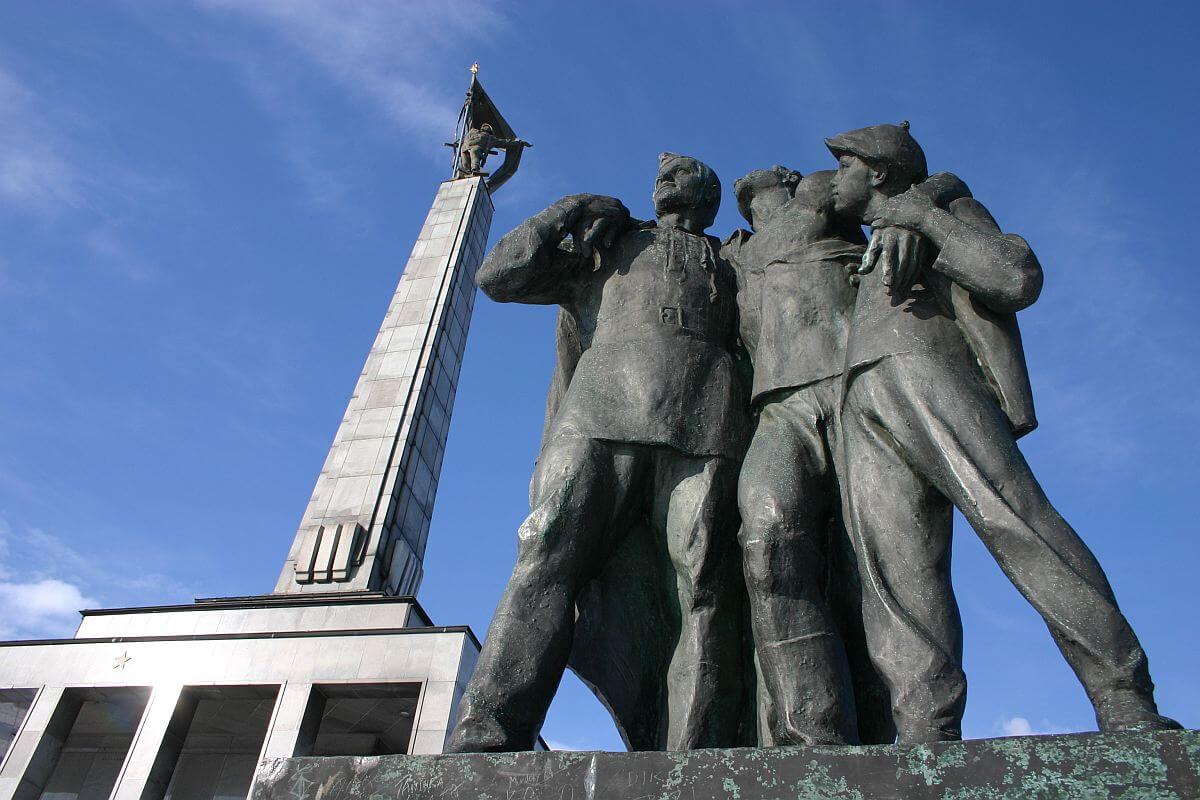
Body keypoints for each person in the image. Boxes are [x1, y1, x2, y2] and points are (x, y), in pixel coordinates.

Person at [828, 121, 1179, 743]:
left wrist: (928, 220)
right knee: (894, 570)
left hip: (926, 367)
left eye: (845, 164)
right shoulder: (871, 238)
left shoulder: (944, 208)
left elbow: (1015, 278)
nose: (835, 177)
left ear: (878, 172)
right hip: (862, 387)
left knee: (1014, 522)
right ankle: (924, 731)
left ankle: (1124, 696)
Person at [447, 153, 749, 752]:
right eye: (659, 171)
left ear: (708, 195)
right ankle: (487, 732)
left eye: (682, 171)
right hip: (599, 415)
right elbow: (497, 278)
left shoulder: (736, 257)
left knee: (704, 586)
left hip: (707, 426)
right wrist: (568, 209)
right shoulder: (607, 243)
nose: (663, 174)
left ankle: (691, 754)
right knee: (545, 558)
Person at [458, 122, 528, 175]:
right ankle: (466, 171)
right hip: (466, 147)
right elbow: (465, 138)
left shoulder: (491, 138)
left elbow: (504, 142)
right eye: (484, 126)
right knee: (464, 160)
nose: (484, 127)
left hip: (476, 148)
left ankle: (475, 169)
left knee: (474, 152)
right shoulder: (474, 131)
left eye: (487, 127)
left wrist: (519, 142)